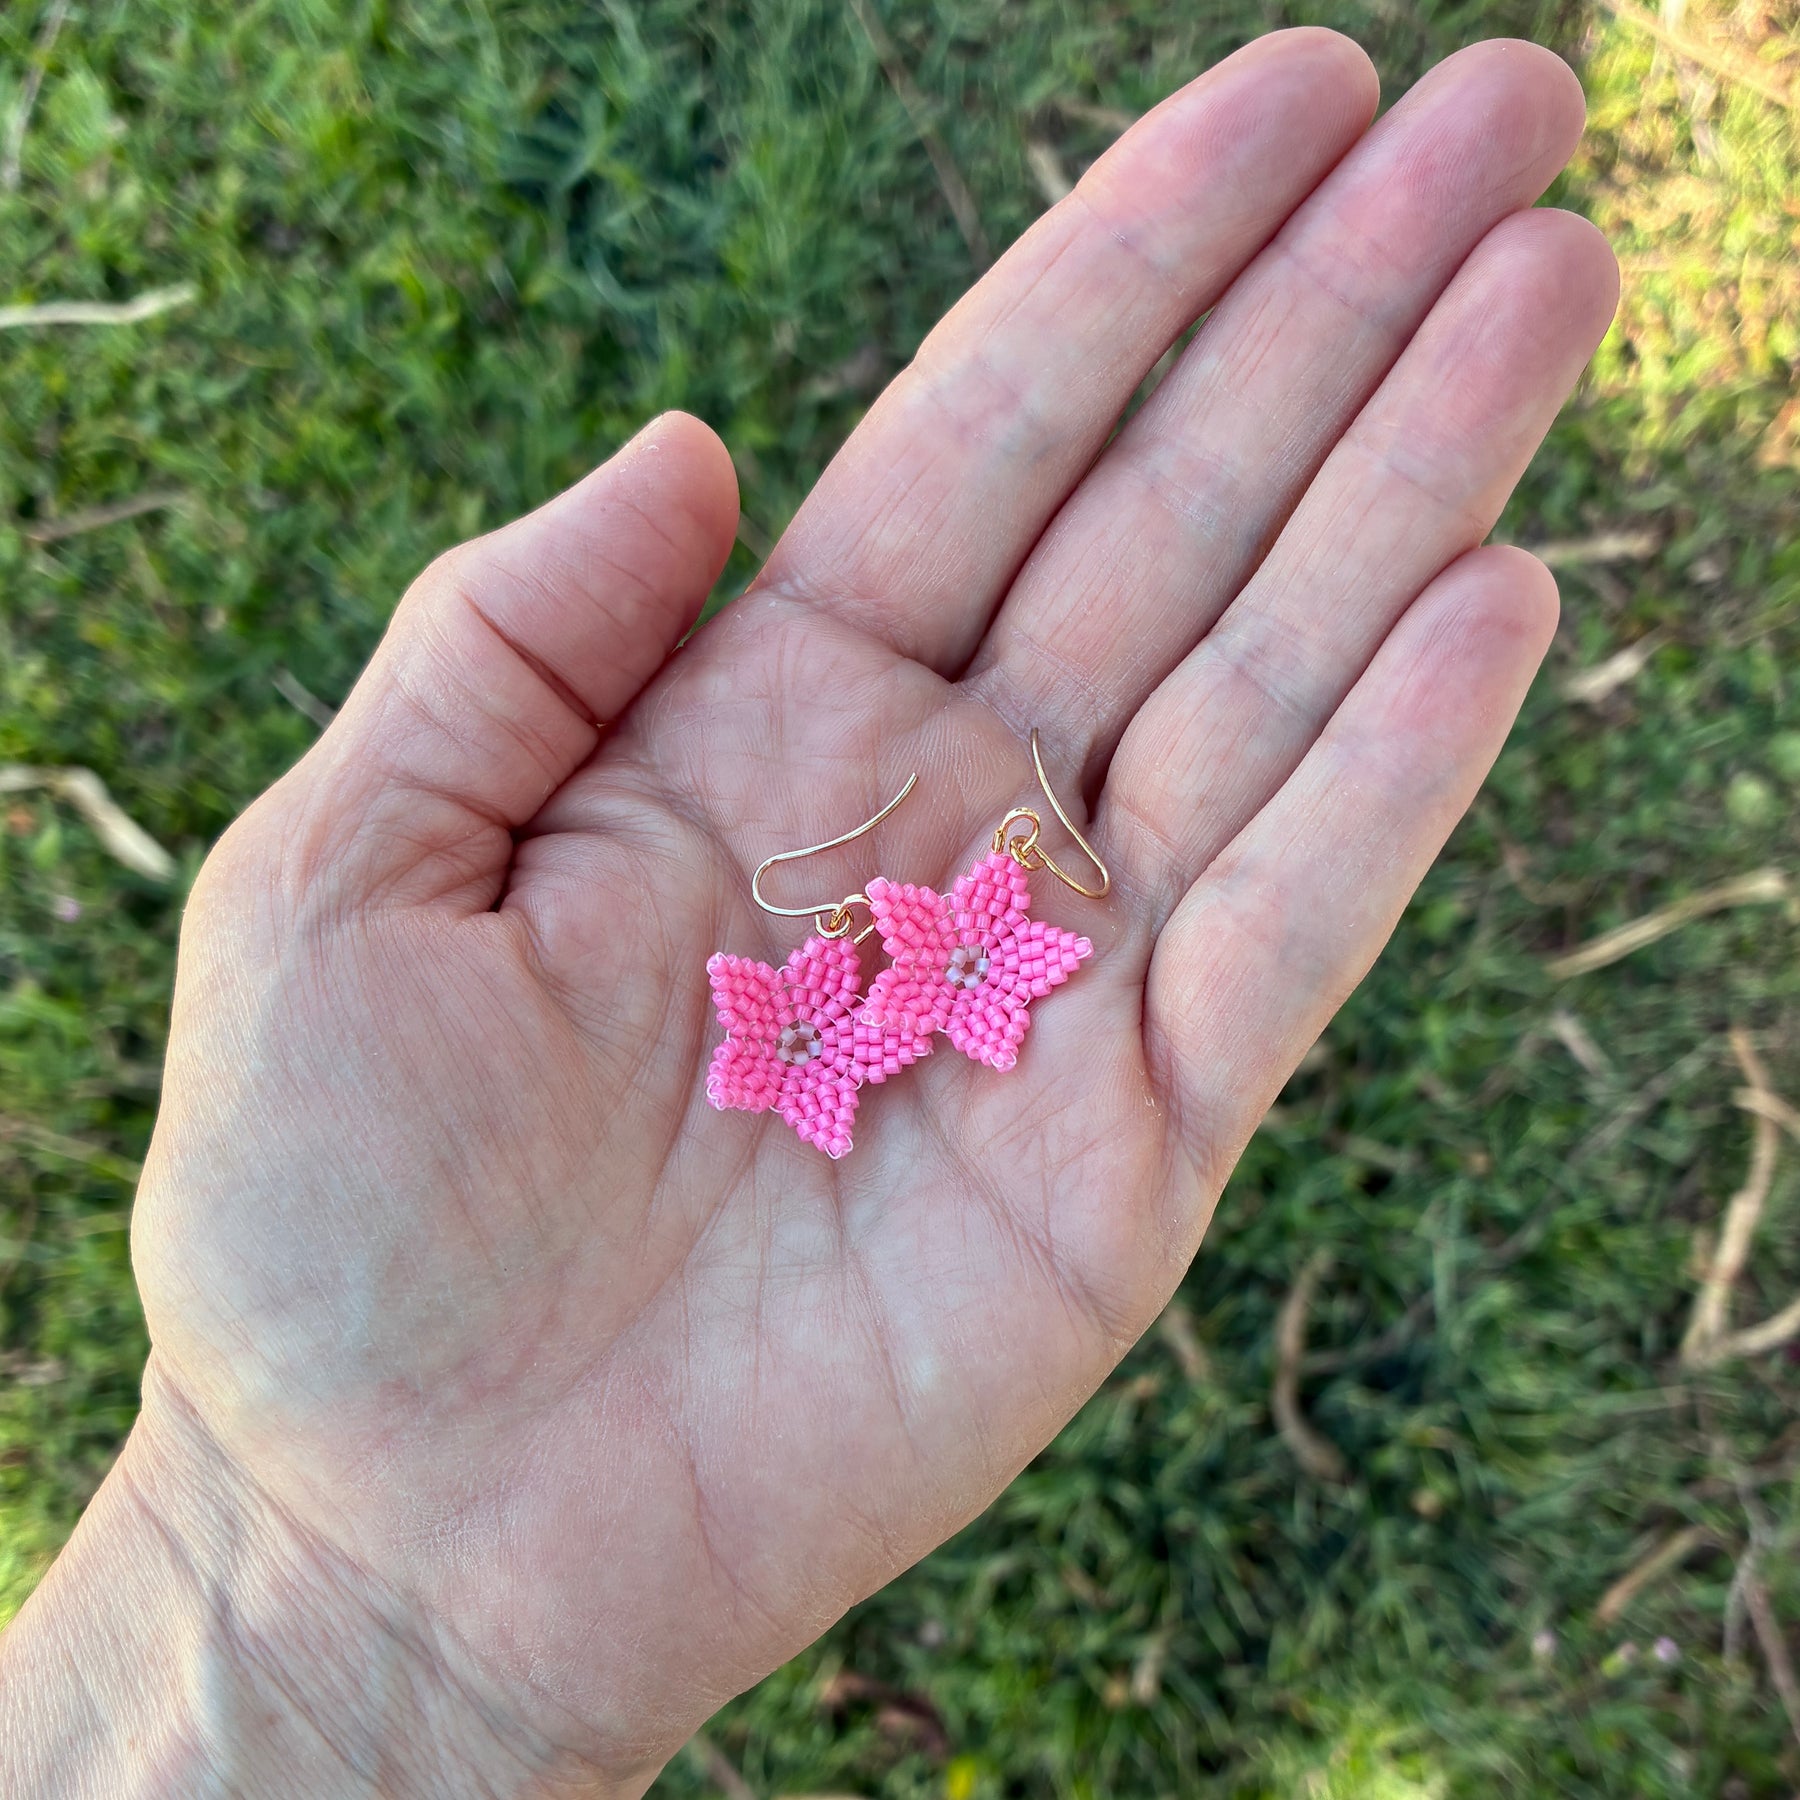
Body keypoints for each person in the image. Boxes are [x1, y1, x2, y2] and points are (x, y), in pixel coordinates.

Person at [0, 27, 1616, 1798]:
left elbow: (942, 968)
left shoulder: (931, 960)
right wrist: (297, 1567)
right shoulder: (820, 1002)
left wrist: (295, 1607)